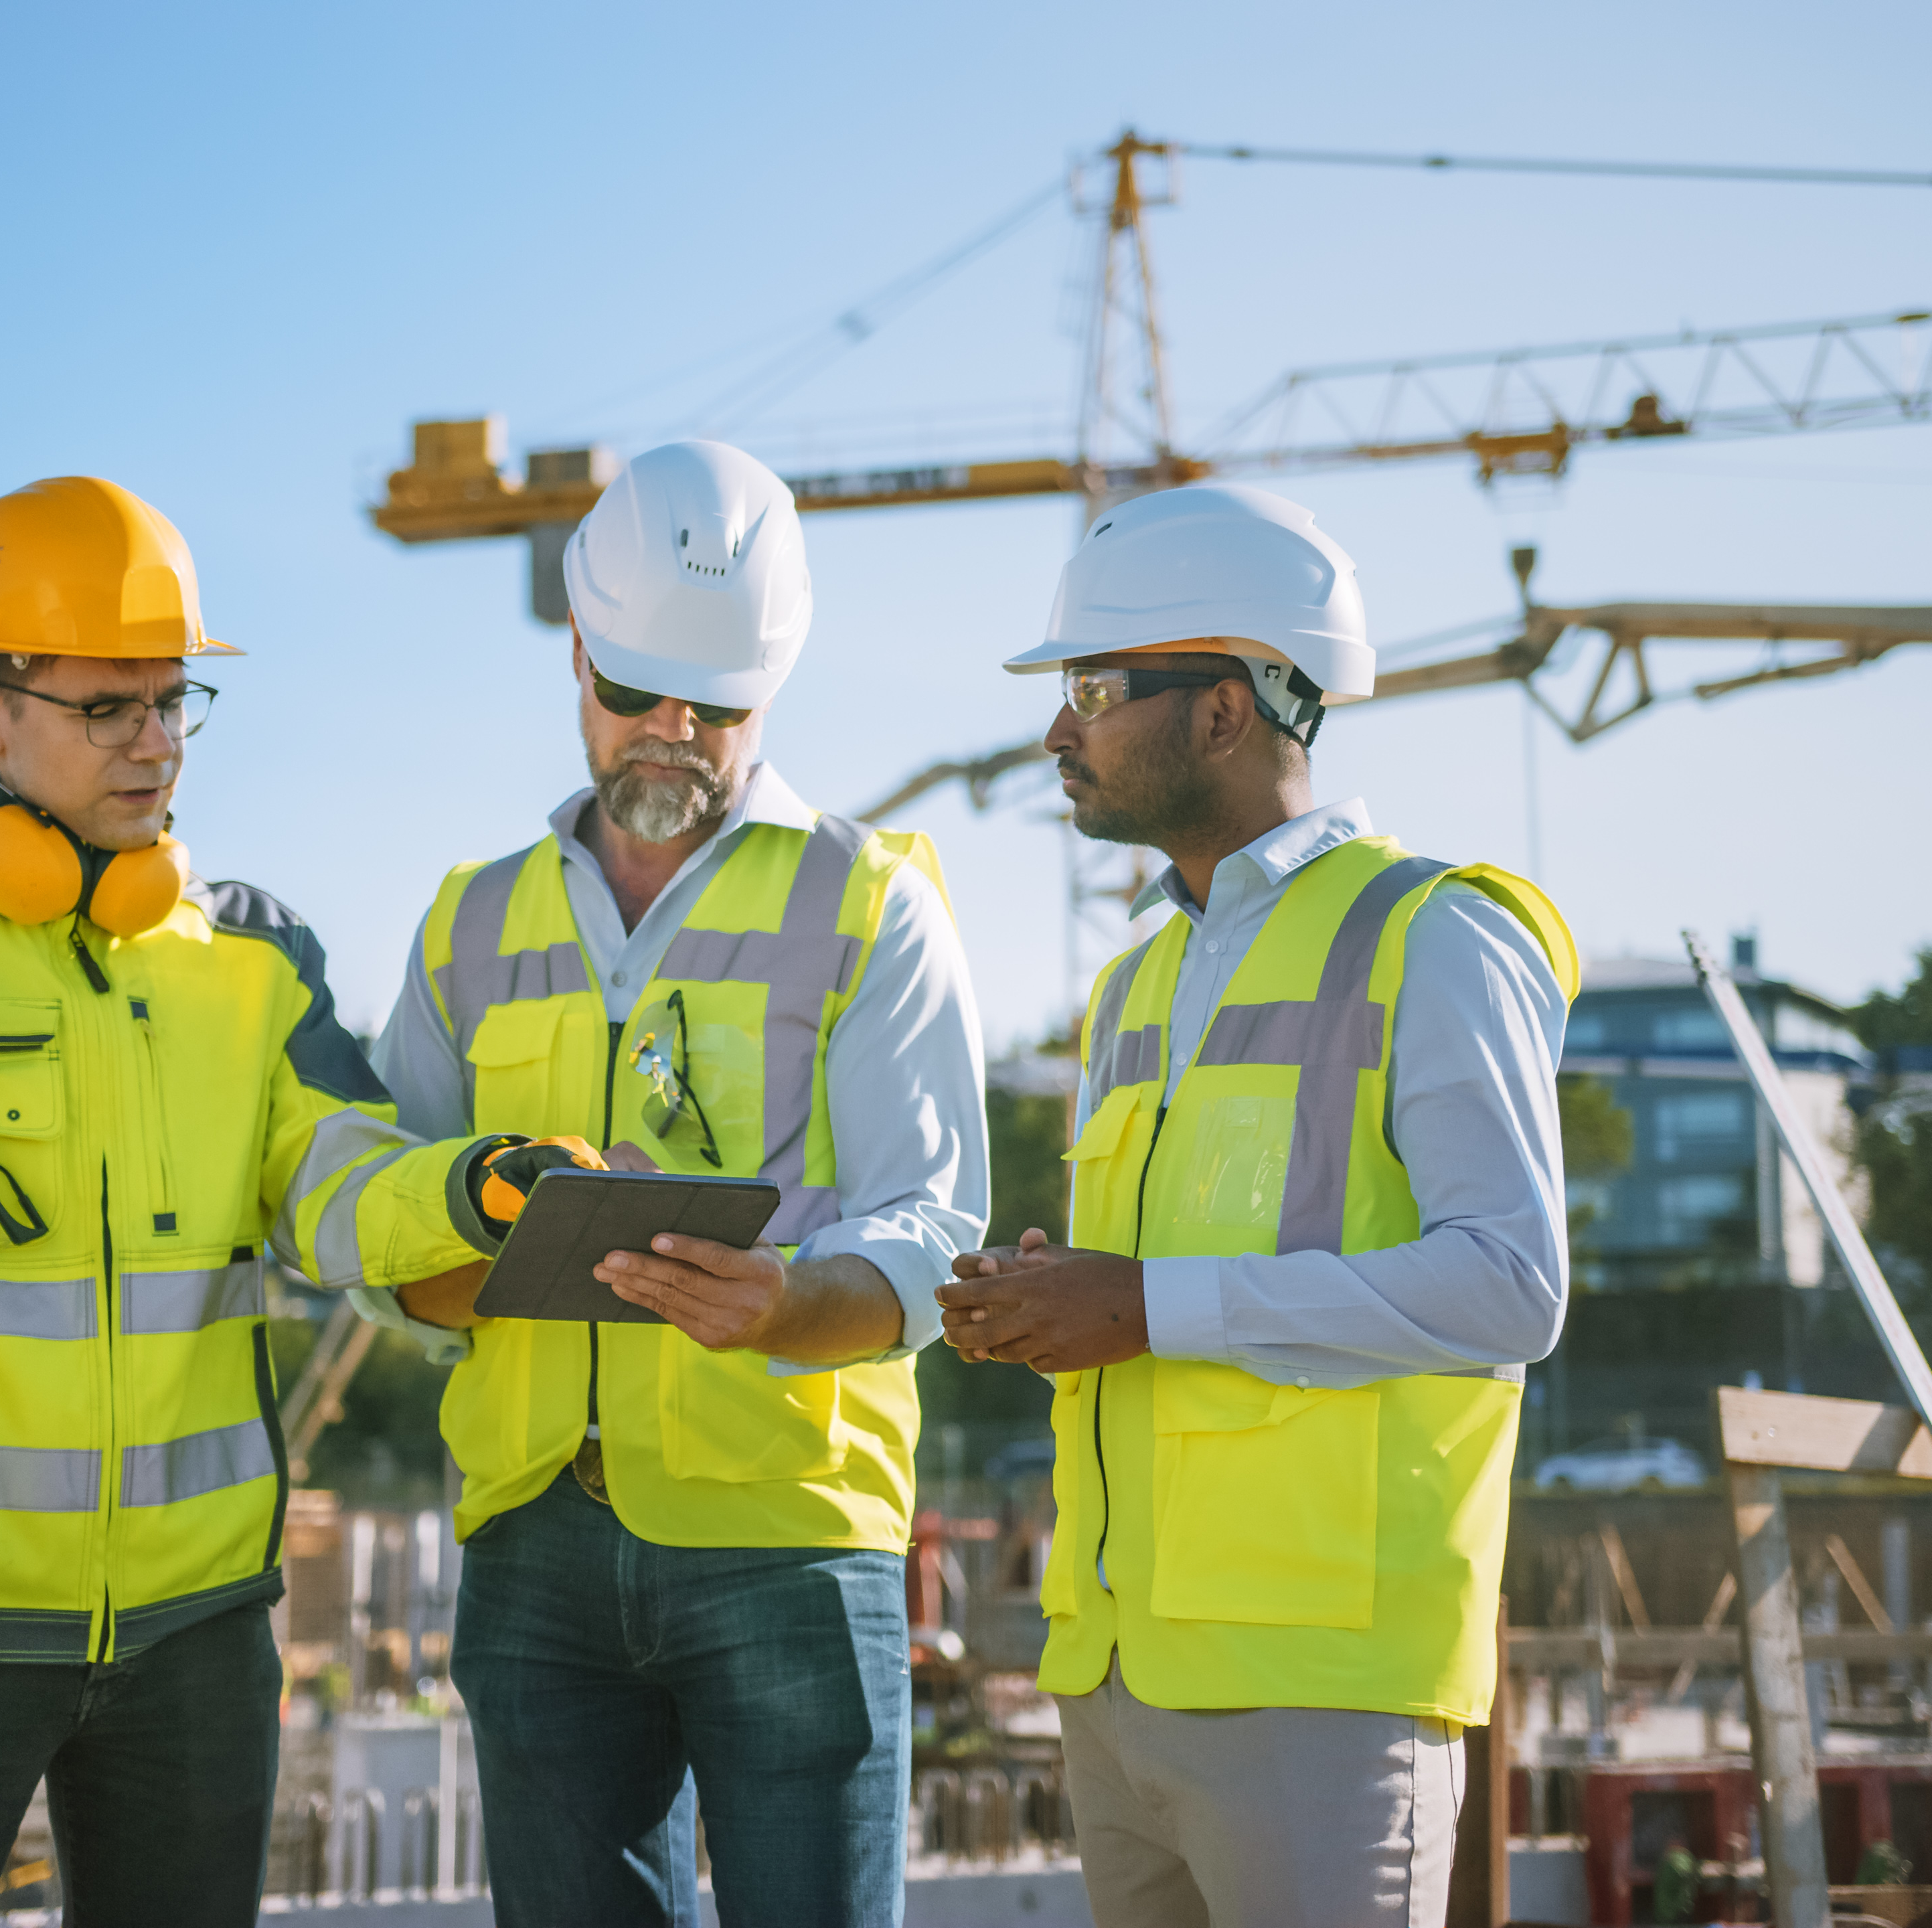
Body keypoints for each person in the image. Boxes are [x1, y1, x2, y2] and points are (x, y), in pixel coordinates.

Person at [0, 476, 561, 1926]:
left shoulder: (256, 958)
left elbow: (337, 1182)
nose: (156, 743)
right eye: (109, 708)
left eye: (173, 703)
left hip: (197, 1640)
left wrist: (478, 1188)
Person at [361, 439, 989, 1926]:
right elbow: (383, 1206)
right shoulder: (470, 922)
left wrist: (791, 1302)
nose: (671, 732)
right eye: (636, 693)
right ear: (575, 651)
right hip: (533, 1538)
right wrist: (468, 1238)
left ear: (768, 690)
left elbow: (932, 1225)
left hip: (786, 1531)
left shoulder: (872, 902)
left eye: (713, 707)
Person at [936, 482, 1579, 1928]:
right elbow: (1162, 1285)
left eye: (1093, 689)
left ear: (1223, 710)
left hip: (1323, 1694)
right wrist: (1054, 1295)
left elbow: (1508, 1286)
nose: (1057, 732)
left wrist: (1147, 1303)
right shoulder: (1133, 984)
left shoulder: (1436, 937)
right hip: (1117, 1677)